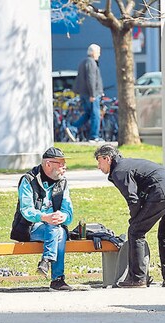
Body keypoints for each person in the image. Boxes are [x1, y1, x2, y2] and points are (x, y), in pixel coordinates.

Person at [94, 144, 165, 288]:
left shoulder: (119, 171)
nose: (98, 166)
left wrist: (135, 220)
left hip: (162, 193)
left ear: (107, 158)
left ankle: (138, 279)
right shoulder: (128, 164)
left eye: (99, 161)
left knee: (135, 231)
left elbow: (132, 199)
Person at [10, 147, 74, 291]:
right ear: (48, 164)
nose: (65, 167)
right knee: (58, 231)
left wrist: (62, 216)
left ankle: (46, 261)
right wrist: (45, 217)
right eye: (61, 163)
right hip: (30, 227)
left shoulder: (63, 182)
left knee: (58, 230)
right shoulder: (28, 180)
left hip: (53, 229)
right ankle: (57, 279)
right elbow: (26, 210)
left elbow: (68, 213)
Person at [69, 43, 104, 143]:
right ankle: (94, 136)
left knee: (88, 114)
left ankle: (72, 128)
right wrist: (93, 94)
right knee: (95, 115)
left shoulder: (83, 62)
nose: (99, 54)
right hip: (91, 94)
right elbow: (91, 78)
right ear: (93, 53)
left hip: (84, 93)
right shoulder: (91, 62)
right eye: (98, 52)